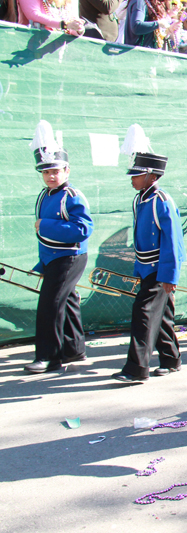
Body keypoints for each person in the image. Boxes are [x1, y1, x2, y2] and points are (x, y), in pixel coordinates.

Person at [113, 125, 186, 383]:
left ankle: (136, 369)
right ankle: (171, 359)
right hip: (148, 267)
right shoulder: (140, 199)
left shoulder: (162, 200)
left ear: (151, 177)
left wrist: (170, 275)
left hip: (160, 268)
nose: (131, 178)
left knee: (143, 314)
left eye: (137, 174)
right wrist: (138, 267)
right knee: (162, 315)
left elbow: (173, 242)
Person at [24, 121, 93, 374]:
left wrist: (46, 224)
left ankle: (49, 358)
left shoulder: (72, 195)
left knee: (50, 304)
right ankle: (75, 349)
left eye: (55, 171)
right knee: (69, 300)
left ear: (67, 170)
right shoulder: (45, 195)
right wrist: (42, 263)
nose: (51, 176)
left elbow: (83, 229)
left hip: (70, 257)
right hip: (54, 258)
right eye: (45, 172)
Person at [17, 0, 85, 35]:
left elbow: (72, 23)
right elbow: (34, 15)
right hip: (31, 50)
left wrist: (78, 28)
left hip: (60, 53)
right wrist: (64, 24)